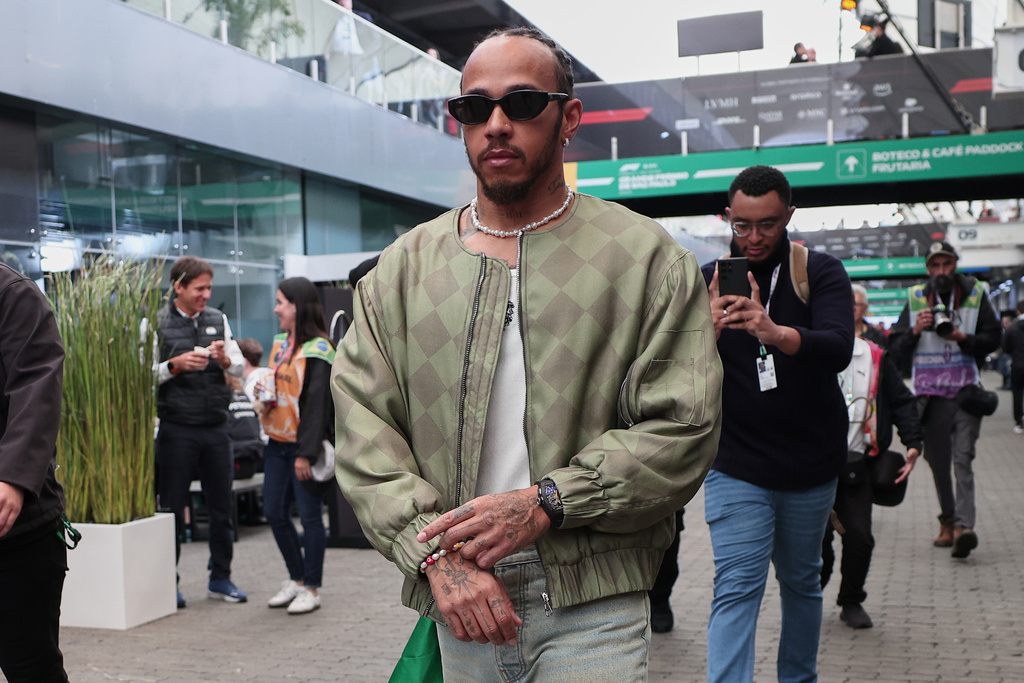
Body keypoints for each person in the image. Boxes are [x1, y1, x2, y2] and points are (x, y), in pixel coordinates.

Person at [331, 27, 722, 681]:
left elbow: (684, 426)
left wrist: (546, 500)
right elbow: (363, 430)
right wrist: (436, 559)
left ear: (569, 117)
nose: (497, 124)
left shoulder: (643, 258)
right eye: (475, 108)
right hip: (462, 590)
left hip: (594, 595)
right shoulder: (401, 271)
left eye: (523, 103)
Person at [702, 165, 854, 683]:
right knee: (737, 583)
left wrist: (775, 331)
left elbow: (838, 348)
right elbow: (672, 370)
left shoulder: (820, 270)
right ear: (728, 216)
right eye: (741, 225)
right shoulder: (707, 279)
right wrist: (703, 331)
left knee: (801, 582)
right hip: (736, 463)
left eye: (766, 224)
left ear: (789, 214)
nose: (754, 237)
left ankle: (797, 678)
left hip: (811, 463)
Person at [889, 241, 1001, 558]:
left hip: (966, 393)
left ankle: (965, 528)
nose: (942, 271)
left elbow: (996, 338)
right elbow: (894, 352)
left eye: (947, 264)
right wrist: (913, 331)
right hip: (929, 396)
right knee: (938, 464)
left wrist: (963, 338)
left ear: (955, 264)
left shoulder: (976, 294)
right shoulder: (914, 298)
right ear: (928, 268)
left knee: (962, 458)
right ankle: (948, 521)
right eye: (936, 266)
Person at [821, 286, 923, 630]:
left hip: (856, 467)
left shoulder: (875, 356)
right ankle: (812, 586)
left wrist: (912, 442)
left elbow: (904, 401)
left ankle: (851, 600)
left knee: (860, 537)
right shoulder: (806, 350)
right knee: (814, 545)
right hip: (811, 468)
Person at [156, 256, 247, 607]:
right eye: (200, 288)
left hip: (216, 427)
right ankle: (169, 581)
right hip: (177, 427)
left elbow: (238, 363)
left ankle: (220, 578)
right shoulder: (157, 322)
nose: (206, 294)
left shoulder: (217, 319)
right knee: (172, 508)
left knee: (222, 505)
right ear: (179, 287)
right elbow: (140, 373)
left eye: (209, 287)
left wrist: (225, 361)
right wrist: (173, 367)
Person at [0, 263, 69, 683]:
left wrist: (11, 477)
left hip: (18, 533)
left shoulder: (12, 293)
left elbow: (37, 385)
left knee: (32, 667)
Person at [260, 277, 335, 615]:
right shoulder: (280, 344)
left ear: (297, 306)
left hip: (304, 447)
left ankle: (312, 587)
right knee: (274, 512)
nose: (276, 308)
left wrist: (306, 453)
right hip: (275, 444)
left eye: (281, 302)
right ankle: (296, 577)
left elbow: (318, 404)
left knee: (309, 517)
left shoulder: (319, 349)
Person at [1000, 301, 1024, 433]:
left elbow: (1005, 347)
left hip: (1018, 364)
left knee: (1017, 393)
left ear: (1018, 312)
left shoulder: (1012, 329)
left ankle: (1019, 421)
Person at [853, 284, 888, 348]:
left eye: (857, 304)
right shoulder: (836, 334)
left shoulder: (878, 337)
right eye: (850, 303)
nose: (853, 308)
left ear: (865, 307)